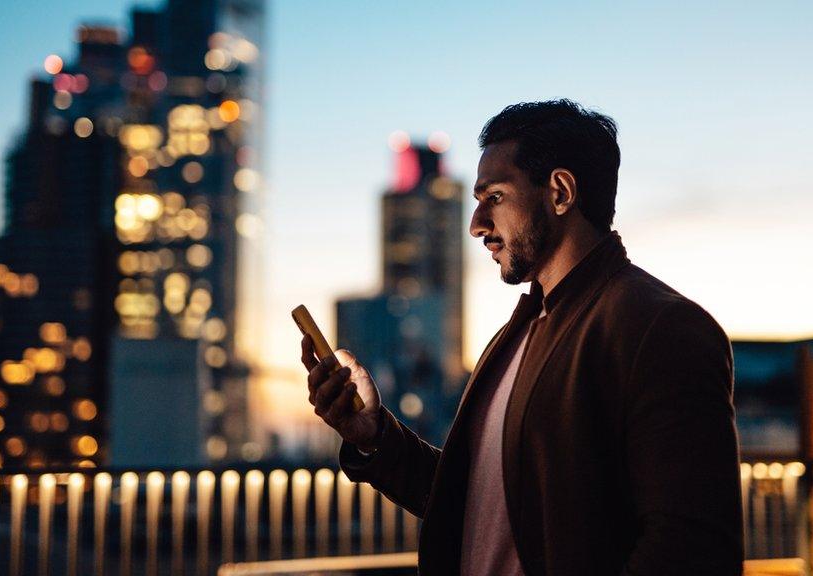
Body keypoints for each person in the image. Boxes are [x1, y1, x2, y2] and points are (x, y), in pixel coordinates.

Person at [301, 99, 743, 575]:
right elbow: (476, 500)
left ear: (559, 191)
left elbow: (693, 551)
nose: (476, 226)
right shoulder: (517, 335)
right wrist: (374, 435)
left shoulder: (660, 329)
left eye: (494, 197)